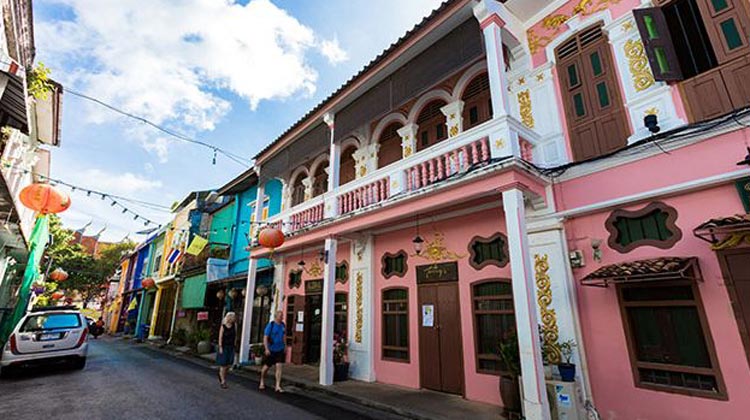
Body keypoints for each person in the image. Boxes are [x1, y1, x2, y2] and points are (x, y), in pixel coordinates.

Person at [260, 310, 286, 392]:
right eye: (280, 316)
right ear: (276, 316)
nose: (282, 317)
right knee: (266, 367)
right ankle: (262, 380)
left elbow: (284, 335)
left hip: (280, 349)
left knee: (279, 367)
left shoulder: (282, 325)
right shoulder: (270, 325)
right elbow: (265, 338)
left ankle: (277, 385)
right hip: (271, 350)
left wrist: (284, 345)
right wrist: (266, 348)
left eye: (282, 315)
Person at [216, 312, 237, 389]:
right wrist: (220, 347)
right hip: (224, 346)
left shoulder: (234, 326)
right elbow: (220, 337)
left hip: (231, 346)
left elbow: (235, 335)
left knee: (229, 363)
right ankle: (223, 381)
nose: (233, 319)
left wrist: (234, 345)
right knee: (223, 364)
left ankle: (222, 375)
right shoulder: (223, 327)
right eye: (232, 317)